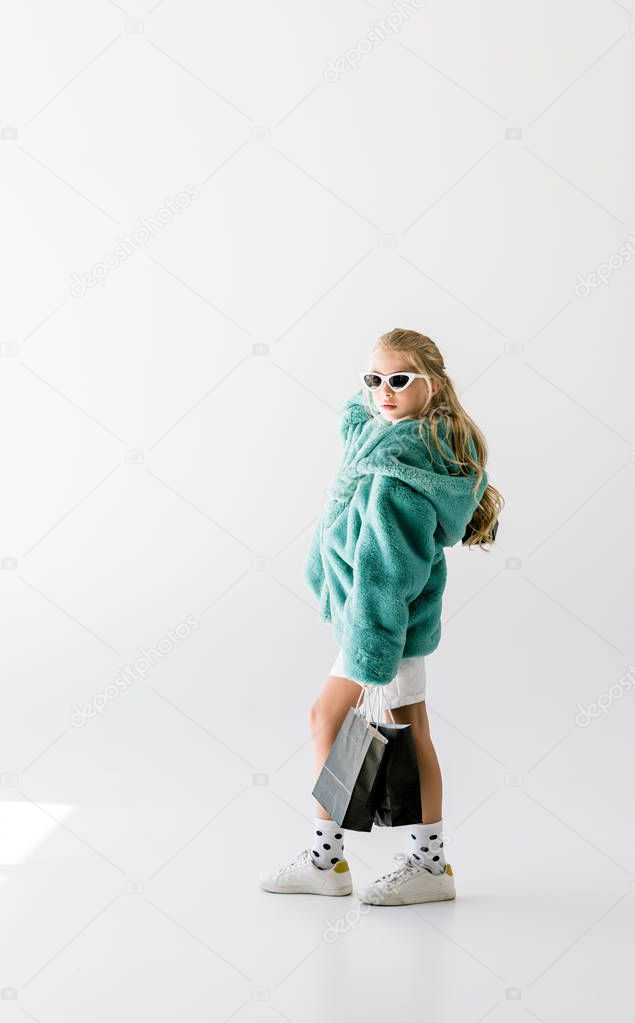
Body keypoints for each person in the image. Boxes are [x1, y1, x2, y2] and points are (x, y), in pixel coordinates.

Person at [259, 327, 504, 906]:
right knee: (377, 723)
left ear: (433, 386)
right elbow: (358, 424)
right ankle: (367, 861)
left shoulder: (398, 476)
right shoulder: (387, 443)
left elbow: (386, 572)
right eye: (373, 379)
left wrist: (372, 652)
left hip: (383, 625)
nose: (383, 392)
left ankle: (389, 863)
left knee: (366, 722)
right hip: (375, 622)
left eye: (399, 380)